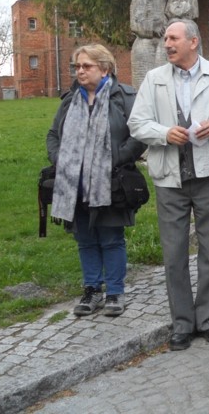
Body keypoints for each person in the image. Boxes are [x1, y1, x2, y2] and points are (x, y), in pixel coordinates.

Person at [128, 18, 209, 351]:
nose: (167, 43)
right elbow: (137, 123)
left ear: (193, 42)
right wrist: (164, 134)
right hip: (170, 177)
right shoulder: (154, 79)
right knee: (174, 253)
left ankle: (208, 320)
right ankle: (181, 323)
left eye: (173, 38)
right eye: (165, 37)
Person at [46, 44, 146, 318]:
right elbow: (53, 135)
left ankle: (114, 292)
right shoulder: (69, 100)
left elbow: (138, 134)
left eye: (86, 66)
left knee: (111, 237)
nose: (80, 71)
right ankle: (92, 289)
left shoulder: (124, 96)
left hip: (111, 181)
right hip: (73, 182)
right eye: (77, 66)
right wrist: (61, 160)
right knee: (85, 239)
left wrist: (113, 158)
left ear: (105, 69)